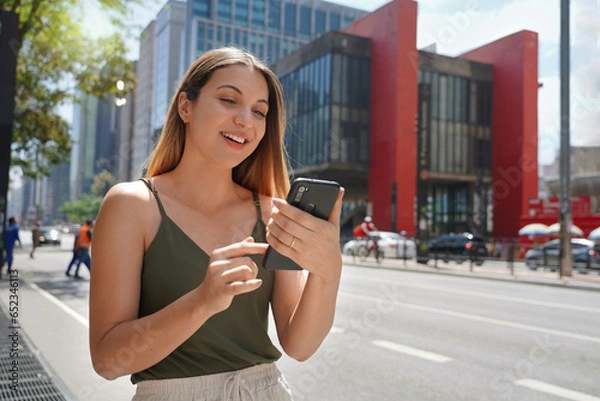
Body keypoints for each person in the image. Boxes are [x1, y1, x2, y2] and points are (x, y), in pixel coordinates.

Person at [89, 47, 344, 400]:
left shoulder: (274, 214)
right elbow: (107, 360)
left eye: (259, 111)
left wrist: (328, 271)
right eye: (229, 100)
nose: (246, 120)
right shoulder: (132, 205)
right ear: (186, 107)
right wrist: (203, 301)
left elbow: (299, 345)